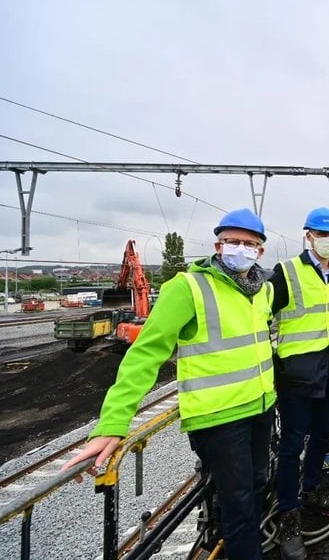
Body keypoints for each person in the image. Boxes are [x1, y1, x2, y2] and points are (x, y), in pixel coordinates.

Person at [62, 209, 275, 560]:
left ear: (261, 252)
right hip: (219, 418)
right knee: (238, 504)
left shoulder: (261, 290)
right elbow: (145, 354)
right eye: (233, 242)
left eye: (250, 244)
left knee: (253, 489)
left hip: (261, 407)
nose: (242, 248)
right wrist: (113, 423)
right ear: (218, 246)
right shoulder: (188, 287)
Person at [270, 207, 329, 560]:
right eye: (322, 234)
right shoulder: (285, 273)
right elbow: (262, 317)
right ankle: (288, 514)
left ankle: (312, 491)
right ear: (308, 235)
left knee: (322, 436)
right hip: (298, 373)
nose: (328, 241)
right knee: (291, 445)